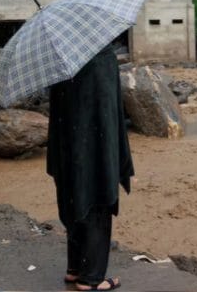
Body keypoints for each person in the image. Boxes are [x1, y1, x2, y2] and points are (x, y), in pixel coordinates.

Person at [47, 42, 134, 291]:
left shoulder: (60, 58)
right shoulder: (103, 57)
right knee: (98, 198)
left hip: (66, 146)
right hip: (95, 146)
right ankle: (91, 278)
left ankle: (75, 268)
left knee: (72, 198)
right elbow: (109, 110)